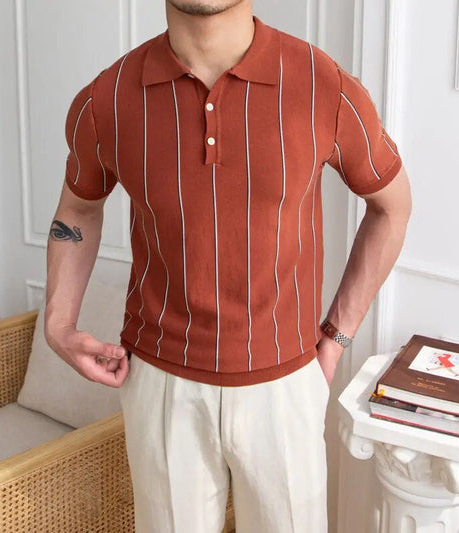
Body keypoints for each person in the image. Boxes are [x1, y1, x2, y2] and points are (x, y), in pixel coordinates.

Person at [45, 1, 412, 531]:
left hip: (285, 386)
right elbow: (78, 210)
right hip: (159, 386)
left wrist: (335, 337)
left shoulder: (324, 85)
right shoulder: (106, 98)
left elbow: (391, 207)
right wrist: (58, 323)